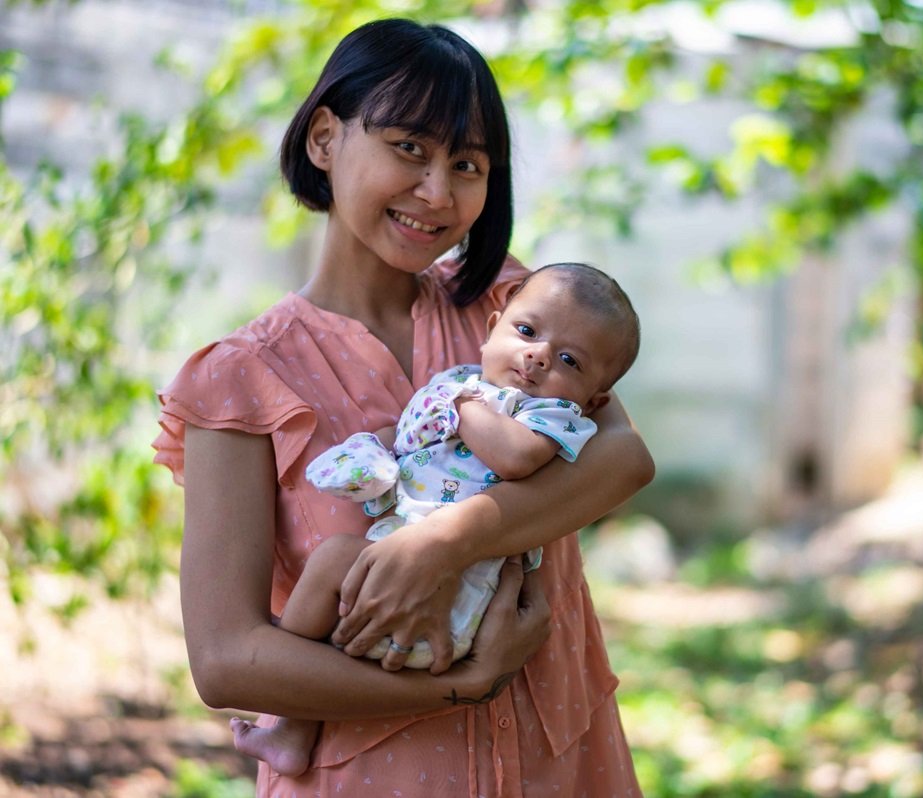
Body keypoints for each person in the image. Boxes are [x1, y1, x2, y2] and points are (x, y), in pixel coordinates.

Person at [152, 18, 653, 797]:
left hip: (564, 757)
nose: (438, 192)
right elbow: (227, 658)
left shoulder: (513, 311)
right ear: (324, 138)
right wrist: (463, 682)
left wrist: (443, 543)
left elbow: (624, 459)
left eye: (468, 163)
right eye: (409, 148)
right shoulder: (240, 382)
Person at [227, 262, 641, 777]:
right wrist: (376, 451)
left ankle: (294, 703)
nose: (537, 356)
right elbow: (408, 438)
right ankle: (293, 727)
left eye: (569, 360)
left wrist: (463, 405)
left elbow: (513, 458)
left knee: (336, 559)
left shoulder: (548, 416)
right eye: (527, 332)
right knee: (333, 561)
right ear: (492, 331)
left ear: (595, 398)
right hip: (392, 574)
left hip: (466, 596)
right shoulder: (458, 385)